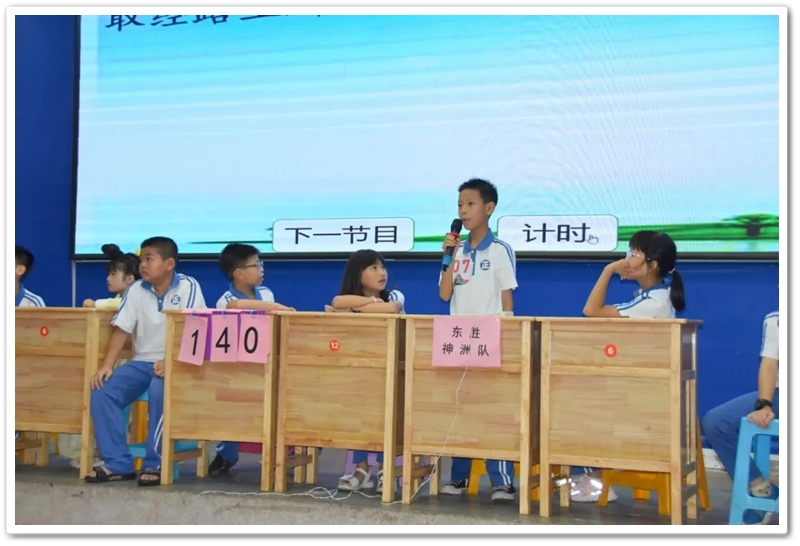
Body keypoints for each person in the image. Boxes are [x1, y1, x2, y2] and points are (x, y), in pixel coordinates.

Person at [83, 236, 206, 486]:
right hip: (141, 363)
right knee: (102, 389)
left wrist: (170, 360)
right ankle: (117, 463)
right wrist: (107, 365)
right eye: (142, 259)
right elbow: (122, 329)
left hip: (179, 363)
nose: (143, 265)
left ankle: (155, 464)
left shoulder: (188, 286)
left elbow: (196, 328)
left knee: (159, 389)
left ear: (169, 263)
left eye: (149, 259)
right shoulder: (137, 290)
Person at [578, 230, 686, 502]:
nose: (627, 259)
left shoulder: (653, 303)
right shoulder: (649, 296)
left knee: (580, 401)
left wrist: (608, 270)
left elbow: (591, 311)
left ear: (653, 264)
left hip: (646, 394)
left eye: (634, 254)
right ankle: (593, 475)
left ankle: (597, 480)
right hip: (642, 386)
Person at [438, 178, 518, 502]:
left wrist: (507, 335)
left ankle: (502, 481)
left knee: (493, 411)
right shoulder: (455, 250)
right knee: (461, 407)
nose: (463, 211)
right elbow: (445, 294)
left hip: (491, 340)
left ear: (489, 208)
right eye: (460, 205)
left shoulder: (500, 250)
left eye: (470, 204)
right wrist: (447, 257)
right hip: (459, 340)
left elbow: (507, 298)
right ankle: (459, 477)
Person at [208, 243, 295, 476]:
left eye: (261, 264)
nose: (261, 269)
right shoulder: (225, 299)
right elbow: (235, 306)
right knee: (236, 406)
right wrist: (276, 307)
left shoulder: (266, 293)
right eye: (256, 265)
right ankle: (227, 454)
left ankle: (287, 452)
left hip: (268, 364)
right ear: (238, 273)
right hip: (237, 370)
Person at [329, 249, 405, 494]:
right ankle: (361, 469)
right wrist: (370, 304)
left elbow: (391, 309)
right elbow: (337, 302)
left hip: (391, 370)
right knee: (356, 410)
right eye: (373, 268)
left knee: (387, 412)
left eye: (382, 267)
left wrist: (353, 311)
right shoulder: (348, 298)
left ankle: (386, 468)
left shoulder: (394, 295)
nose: (382, 273)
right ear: (357, 274)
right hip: (360, 370)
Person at [702, 311, 779, 525]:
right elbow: (769, 364)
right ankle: (761, 489)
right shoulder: (776, 319)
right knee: (716, 422)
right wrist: (765, 404)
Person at [82, 244, 141, 309]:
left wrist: (95, 304)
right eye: (109, 274)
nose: (108, 278)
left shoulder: (140, 297)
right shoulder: (119, 296)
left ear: (129, 279)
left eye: (113, 274)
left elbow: (126, 302)